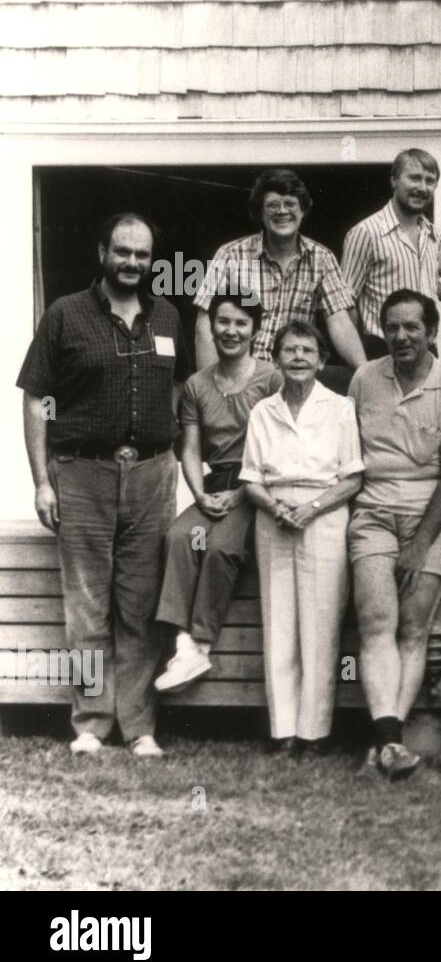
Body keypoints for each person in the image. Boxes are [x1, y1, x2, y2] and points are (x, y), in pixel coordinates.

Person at [17, 213, 191, 757]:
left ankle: (139, 727)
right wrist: (42, 480)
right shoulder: (65, 315)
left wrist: (179, 469)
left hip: (151, 475)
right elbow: (37, 401)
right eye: (122, 252)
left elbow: (181, 393)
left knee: (140, 607)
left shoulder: (167, 315)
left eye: (142, 254)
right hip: (81, 473)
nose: (132, 263)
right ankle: (92, 723)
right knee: (88, 608)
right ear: (102, 253)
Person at [348, 290, 441, 778]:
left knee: (413, 627)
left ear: (433, 332)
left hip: (436, 516)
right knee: (376, 620)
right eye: (392, 327)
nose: (401, 336)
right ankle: (391, 744)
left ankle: (386, 742)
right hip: (375, 509)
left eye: (412, 327)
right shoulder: (364, 379)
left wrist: (420, 545)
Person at [240, 322, 364, 755]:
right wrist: (275, 508)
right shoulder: (263, 412)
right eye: (289, 350)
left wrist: (311, 509)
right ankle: (284, 731)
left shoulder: (340, 407)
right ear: (276, 359)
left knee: (321, 625)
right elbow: (251, 478)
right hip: (272, 516)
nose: (297, 357)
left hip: (324, 516)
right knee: (279, 624)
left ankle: (314, 732)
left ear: (321, 360)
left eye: (307, 351)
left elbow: (352, 477)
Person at [155, 294, 281, 693]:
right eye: (223, 322)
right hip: (214, 486)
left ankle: (201, 643)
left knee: (223, 546)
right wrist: (199, 492)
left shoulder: (270, 378)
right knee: (179, 537)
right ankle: (182, 644)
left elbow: (278, 447)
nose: (231, 331)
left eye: (241, 323)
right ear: (212, 327)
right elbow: (190, 449)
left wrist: (244, 494)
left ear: (255, 330)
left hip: (258, 486)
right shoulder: (196, 384)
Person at [195, 168, 366, 377]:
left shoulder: (321, 258)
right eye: (272, 205)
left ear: (303, 210)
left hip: (293, 377)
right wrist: (211, 387)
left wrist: (365, 372)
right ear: (260, 213)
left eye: (291, 204)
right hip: (242, 377)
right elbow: (205, 324)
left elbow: (339, 321)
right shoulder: (231, 254)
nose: (282, 211)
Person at [342, 148, 441, 360]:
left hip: (426, 349)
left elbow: (428, 278)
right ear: (394, 180)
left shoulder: (431, 234)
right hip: (382, 351)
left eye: (429, 181)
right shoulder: (366, 232)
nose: (422, 188)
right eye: (414, 178)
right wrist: (359, 360)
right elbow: (345, 302)